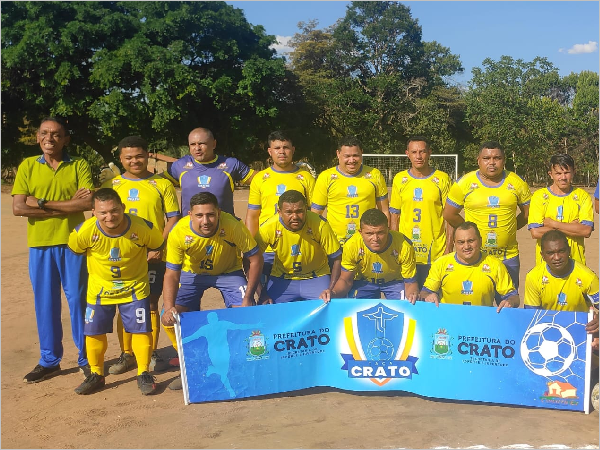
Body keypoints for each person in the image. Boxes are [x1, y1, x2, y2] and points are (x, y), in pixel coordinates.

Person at [12, 117, 94, 383]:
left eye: (57, 134)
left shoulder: (78, 164)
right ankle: (49, 360)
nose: (50, 138)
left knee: (79, 301)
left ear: (66, 139)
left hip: (74, 243)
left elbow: (86, 204)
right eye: (45, 133)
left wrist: (42, 203)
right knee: (45, 304)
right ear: (37, 137)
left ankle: (87, 357)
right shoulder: (27, 166)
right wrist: (66, 203)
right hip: (40, 245)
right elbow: (18, 208)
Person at [161, 192, 263, 390]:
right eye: (199, 216)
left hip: (229, 272)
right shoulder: (179, 232)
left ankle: (240, 365)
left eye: (211, 215)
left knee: (245, 315)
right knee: (170, 318)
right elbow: (171, 274)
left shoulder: (232, 225)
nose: (205, 221)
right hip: (193, 275)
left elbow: (255, 258)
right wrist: (168, 307)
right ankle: (191, 363)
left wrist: (249, 297)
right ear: (190, 214)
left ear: (219, 212)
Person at [68, 188, 165, 395]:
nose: (109, 216)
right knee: (93, 331)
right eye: (103, 212)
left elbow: (157, 245)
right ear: (93, 212)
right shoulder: (84, 232)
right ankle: (95, 374)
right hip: (100, 289)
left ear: (123, 208)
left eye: (114, 210)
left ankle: (143, 372)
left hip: (135, 287)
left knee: (140, 329)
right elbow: (75, 251)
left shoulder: (143, 227)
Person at [101, 136, 181, 375]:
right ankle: (127, 354)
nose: (134, 161)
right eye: (128, 157)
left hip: (154, 255)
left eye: (138, 156)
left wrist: (159, 246)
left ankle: (152, 351)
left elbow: (173, 218)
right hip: (122, 256)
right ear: (121, 159)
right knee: (123, 304)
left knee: (149, 304)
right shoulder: (113, 185)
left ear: (148, 155)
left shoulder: (162, 184)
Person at [443, 141, 531, 293]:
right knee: (477, 302)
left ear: (504, 160)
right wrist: (469, 230)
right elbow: (449, 214)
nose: (492, 162)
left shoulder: (518, 182)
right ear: (478, 160)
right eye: (486, 158)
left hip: (508, 256)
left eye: (497, 158)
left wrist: (510, 227)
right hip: (475, 256)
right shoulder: (464, 183)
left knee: (509, 303)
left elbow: (527, 213)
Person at [245, 130, 316, 283]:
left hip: (297, 246)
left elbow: (313, 213)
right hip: (268, 249)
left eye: (286, 147)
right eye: (277, 148)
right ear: (270, 151)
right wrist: (252, 247)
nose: (282, 152)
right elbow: (252, 215)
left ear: (293, 150)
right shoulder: (260, 178)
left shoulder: (306, 178)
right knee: (268, 296)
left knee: (296, 294)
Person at [255, 190, 342, 303]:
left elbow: (336, 258)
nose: (295, 216)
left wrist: (331, 289)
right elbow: (250, 260)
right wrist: (262, 293)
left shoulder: (320, 224)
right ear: (279, 212)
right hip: (282, 278)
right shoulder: (268, 227)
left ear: (306, 209)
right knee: (269, 309)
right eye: (289, 212)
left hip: (316, 276)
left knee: (328, 305)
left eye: (299, 211)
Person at [389, 136, 453, 288]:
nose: (418, 156)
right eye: (414, 152)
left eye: (422, 152)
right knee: (408, 300)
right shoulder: (400, 179)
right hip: (406, 251)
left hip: (435, 252)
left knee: (433, 298)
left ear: (429, 153)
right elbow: (394, 216)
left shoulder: (442, 179)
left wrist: (449, 247)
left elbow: (450, 217)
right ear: (407, 153)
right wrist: (393, 246)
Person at [149, 127, 255, 217]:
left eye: (201, 143)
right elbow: (154, 182)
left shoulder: (231, 164)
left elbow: (261, 179)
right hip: (190, 233)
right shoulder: (180, 166)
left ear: (214, 144)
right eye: (193, 144)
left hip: (223, 231)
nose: (197, 148)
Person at [321, 208, 418, 302]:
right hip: (364, 282)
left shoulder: (404, 245)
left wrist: (411, 298)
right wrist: (333, 293)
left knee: (407, 305)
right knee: (353, 309)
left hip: (395, 282)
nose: (375, 238)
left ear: (388, 229)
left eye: (380, 232)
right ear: (361, 232)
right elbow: (346, 280)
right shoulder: (352, 245)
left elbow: (410, 283)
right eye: (369, 233)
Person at [419, 222, 519, 312]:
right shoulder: (441, 263)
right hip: (449, 323)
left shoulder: (495, 265)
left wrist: (510, 302)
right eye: (461, 242)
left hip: (481, 323)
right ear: (454, 244)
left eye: (471, 241)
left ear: (480, 241)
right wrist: (428, 296)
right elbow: (425, 292)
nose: (466, 246)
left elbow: (513, 297)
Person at [524, 230, 599, 351]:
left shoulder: (587, 277)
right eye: (550, 253)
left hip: (580, 333)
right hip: (548, 334)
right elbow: (532, 317)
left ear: (569, 250)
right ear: (542, 255)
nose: (557, 257)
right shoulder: (533, 278)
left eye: (561, 251)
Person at [310, 136, 389, 246]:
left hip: (367, 242)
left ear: (361, 152)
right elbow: (315, 214)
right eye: (347, 156)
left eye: (355, 155)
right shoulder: (326, 177)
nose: (351, 160)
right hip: (335, 243)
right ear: (338, 154)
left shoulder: (374, 175)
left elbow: (384, 211)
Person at [527, 154, 593, 266]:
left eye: (566, 172)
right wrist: (571, 227)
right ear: (550, 174)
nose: (563, 177)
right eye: (558, 173)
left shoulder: (583, 196)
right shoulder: (539, 197)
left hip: (576, 262)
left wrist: (553, 224)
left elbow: (586, 231)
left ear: (573, 172)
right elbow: (536, 232)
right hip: (547, 264)